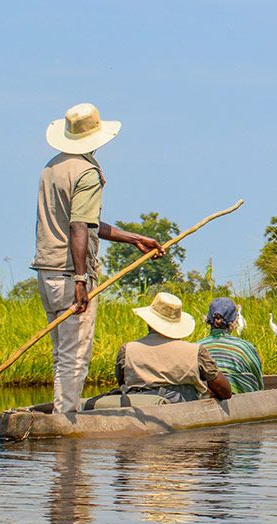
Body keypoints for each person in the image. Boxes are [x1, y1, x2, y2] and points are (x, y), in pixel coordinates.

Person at [31, 102, 164, 413]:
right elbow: (78, 226)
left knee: (61, 353)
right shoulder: (87, 172)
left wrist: (134, 239)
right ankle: (66, 423)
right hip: (69, 276)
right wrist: (81, 279)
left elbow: (86, 224)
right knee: (74, 356)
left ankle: (63, 413)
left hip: (46, 272)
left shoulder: (51, 167)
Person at [112, 292, 233, 404]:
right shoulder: (196, 352)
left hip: (138, 410)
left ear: (149, 322)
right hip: (182, 411)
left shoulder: (127, 350)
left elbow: (122, 383)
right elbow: (225, 392)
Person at [197, 298, 264, 394]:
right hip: (242, 403)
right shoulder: (245, 348)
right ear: (234, 321)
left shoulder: (196, 348)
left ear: (208, 320)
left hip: (204, 404)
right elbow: (259, 383)